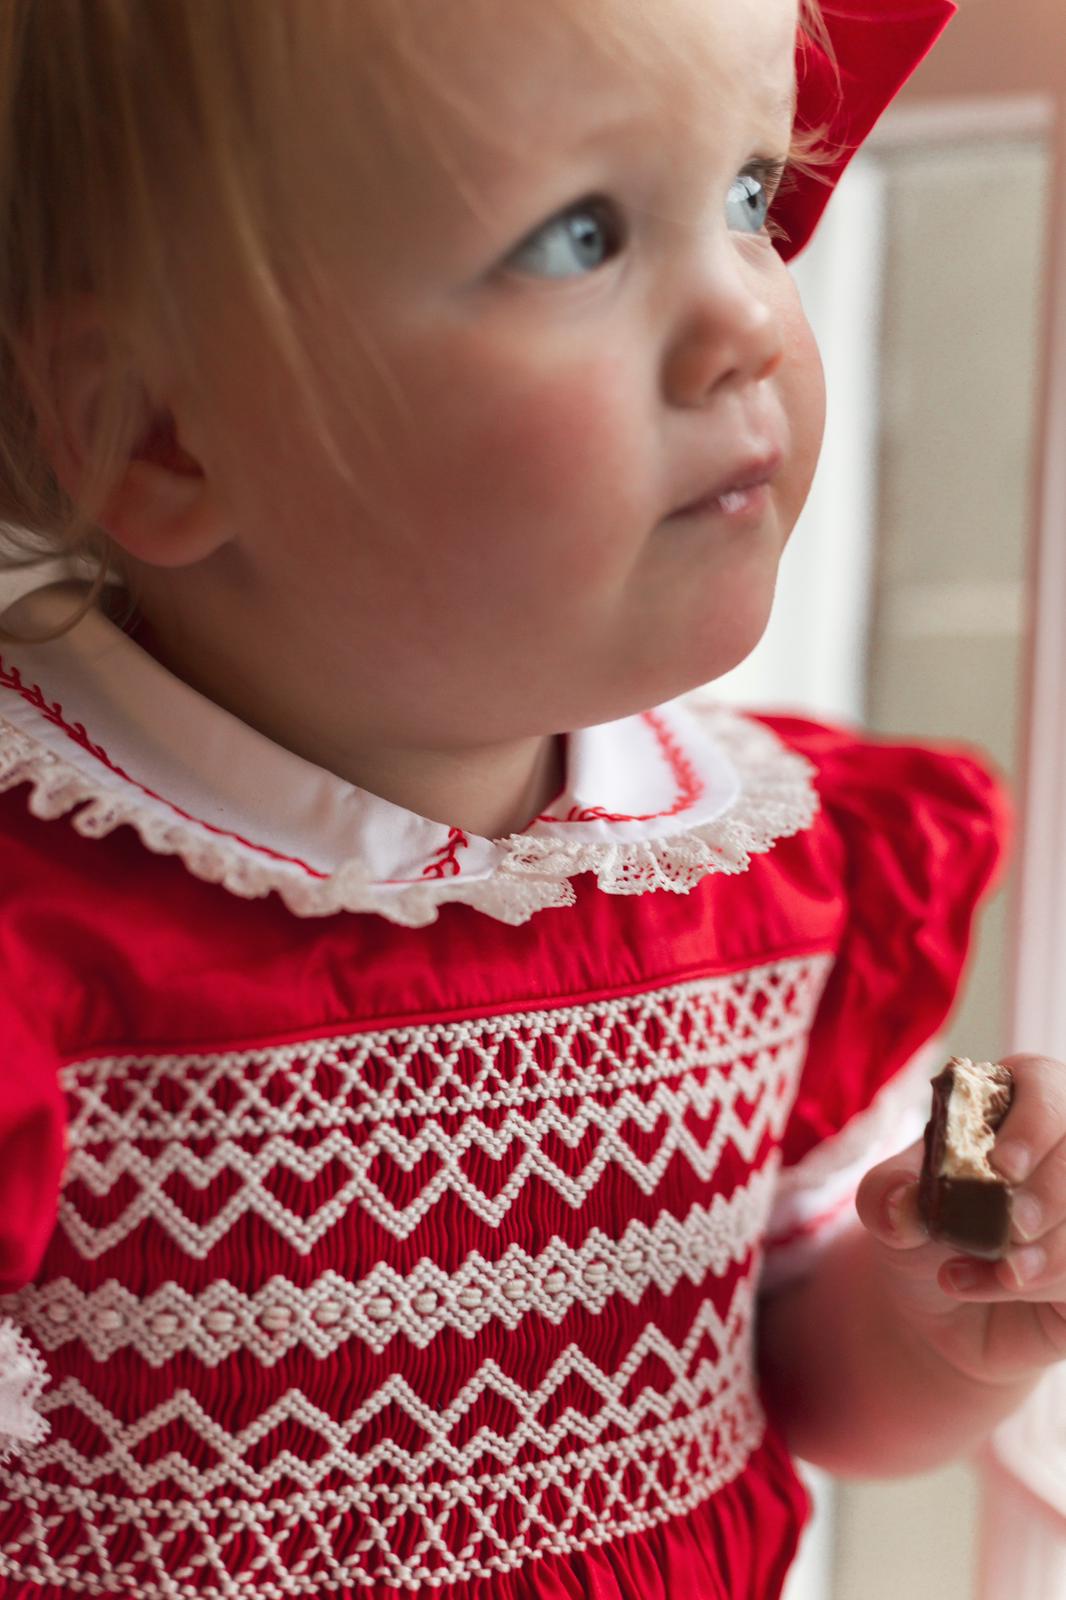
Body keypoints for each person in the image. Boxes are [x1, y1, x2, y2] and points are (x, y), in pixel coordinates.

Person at [0, 1, 1061, 1597]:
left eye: (748, 197)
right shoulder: (48, 918)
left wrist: (942, 1317)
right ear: (156, 430)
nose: (747, 323)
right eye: (576, 236)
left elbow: (786, 1369)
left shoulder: (767, 861)